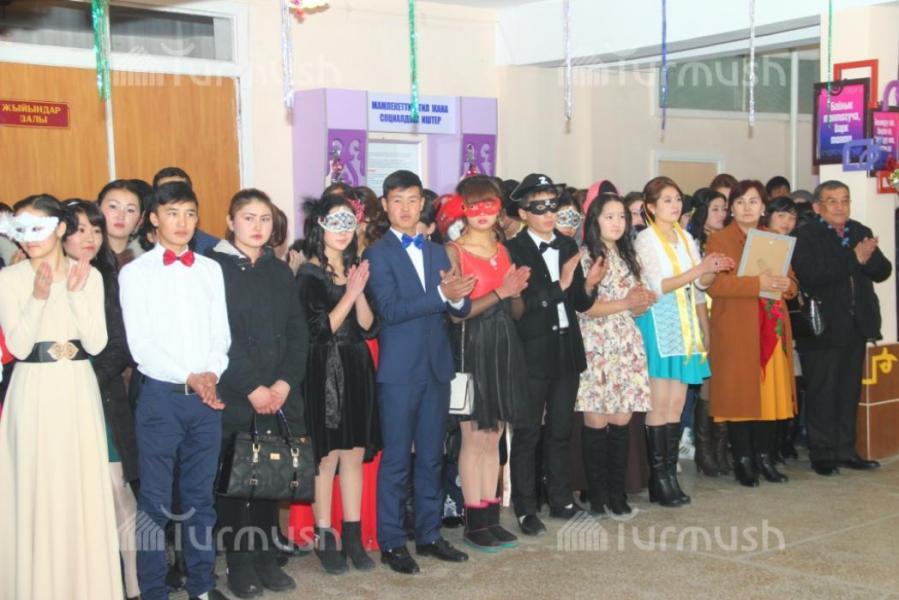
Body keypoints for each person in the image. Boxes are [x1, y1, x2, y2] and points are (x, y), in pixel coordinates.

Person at [0, 194, 122, 599]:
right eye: (20, 229)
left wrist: (74, 293)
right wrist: (37, 299)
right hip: (31, 389)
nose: (29, 237)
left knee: (79, 488)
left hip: (76, 388)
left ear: (60, 228)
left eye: (38, 227)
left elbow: (97, 342)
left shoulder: (89, 274)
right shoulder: (8, 279)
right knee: (34, 488)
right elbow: (18, 347)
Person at [119, 181, 230, 600]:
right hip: (161, 399)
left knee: (201, 499)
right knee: (155, 502)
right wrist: (190, 376)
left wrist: (211, 373)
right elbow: (141, 346)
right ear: (153, 219)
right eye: (172, 213)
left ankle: (202, 586)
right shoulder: (135, 273)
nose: (182, 222)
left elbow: (221, 335)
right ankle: (153, 591)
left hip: (206, 399)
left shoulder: (210, 270)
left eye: (189, 213)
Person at [363, 170, 473, 574]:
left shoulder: (438, 251)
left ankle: (429, 535)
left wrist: (457, 298)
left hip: (437, 367)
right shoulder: (377, 254)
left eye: (412, 200)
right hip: (399, 371)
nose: (406, 208)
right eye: (397, 200)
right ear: (385, 205)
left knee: (431, 457)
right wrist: (442, 294)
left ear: (422, 204)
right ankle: (392, 542)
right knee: (396, 460)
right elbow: (390, 311)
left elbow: (458, 307)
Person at [205, 188, 308, 597]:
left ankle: (266, 557)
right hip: (236, 391)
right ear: (230, 222)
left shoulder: (279, 270)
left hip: (278, 393)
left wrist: (283, 383)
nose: (257, 226)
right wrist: (252, 387)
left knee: (271, 478)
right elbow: (218, 335)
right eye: (248, 218)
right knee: (237, 484)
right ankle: (240, 564)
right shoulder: (212, 268)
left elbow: (298, 332)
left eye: (265, 219)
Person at [504, 173, 604, 535]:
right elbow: (521, 307)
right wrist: (559, 285)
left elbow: (578, 302)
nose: (548, 213)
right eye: (540, 207)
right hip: (532, 351)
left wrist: (587, 285)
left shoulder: (566, 244)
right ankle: (525, 507)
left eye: (553, 206)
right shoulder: (512, 249)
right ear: (523, 213)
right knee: (527, 432)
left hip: (566, 348)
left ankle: (561, 498)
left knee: (561, 429)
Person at [634, 176, 732, 507]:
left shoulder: (685, 237)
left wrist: (712, 269)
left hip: (685, 323)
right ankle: (658, 478)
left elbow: (700, 284)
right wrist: (698, 270)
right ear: (650, 207)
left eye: (677, 199)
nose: (675, 205)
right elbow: (658, 285)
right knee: (659, 402)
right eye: (667, 200)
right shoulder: (645, 240)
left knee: (676, 405)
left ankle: (669, 476)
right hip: (659, 324)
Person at [444, 175, 530, 551]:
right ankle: (474, 523)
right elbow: (457, 314)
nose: (482, 212)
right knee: (473, 437)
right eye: (474, 205)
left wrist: (516, 291)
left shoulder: (503, 249)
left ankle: (491, 518)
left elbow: (516, 311)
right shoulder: (452, 251)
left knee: (494, 436)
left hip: (503, 345)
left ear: (499, 208)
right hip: (469, 348)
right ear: (463, 209)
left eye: (489, 204)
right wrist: (501, 290)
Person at [298, 194, 381, 574]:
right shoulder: (309, 274)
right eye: (335, 223)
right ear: (320, 227)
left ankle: (352, 536)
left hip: (356, 363)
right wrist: (349, 293)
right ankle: (324, 537)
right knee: (326, 457)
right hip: (323, 367)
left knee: (354, 454)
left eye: (349, 223)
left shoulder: (357, 268)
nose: (343, 231)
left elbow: (368, 326)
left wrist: (358, 290)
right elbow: (320, 329)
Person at [62, 199, 141, 599]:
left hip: (102, 394)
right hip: (56, 402)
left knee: (116, 487)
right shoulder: (41, 278)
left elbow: (121, 345)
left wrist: (86, 379)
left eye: (96, 229)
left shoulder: (112, 278)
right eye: (80, 230)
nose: (90, 237)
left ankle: (134, 583)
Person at [791, 180, 891, 476]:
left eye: (844, 200)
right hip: (822, 327)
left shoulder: (859, 230)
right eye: (832, 201)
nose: (839, 207)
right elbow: (811, 275)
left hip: (856, 324)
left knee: (849, 392)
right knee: (823, 392)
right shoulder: (805, 235)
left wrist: (867, 258)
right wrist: (853, 259)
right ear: (817, 206)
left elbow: (883, 271)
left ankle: (846, 450)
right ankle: (822, 454)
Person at [706, 181, 797, 487]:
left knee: (769, 397)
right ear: (731, 207)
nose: (747, 207)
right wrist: (758, 284)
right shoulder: (719, 239)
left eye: (754, 201)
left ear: (763, 207)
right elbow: (717, 285)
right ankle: (743, 460)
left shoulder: (774, 237)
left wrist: (787, 285)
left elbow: (792, 281)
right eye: (741, 202)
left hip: (771, 327)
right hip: (737, 329)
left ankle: (765, 457)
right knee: (740, 397)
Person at [577, 192, 654, 517]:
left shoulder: (629, 256)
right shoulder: (585, 257)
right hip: (596, 342)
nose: (617, 223)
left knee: (622, 420)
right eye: (609, 217)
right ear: (595, 221)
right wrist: (626, 303)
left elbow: (635, 306)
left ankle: (617, 493)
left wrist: (642, 302)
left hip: (626, 343)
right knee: (596, 419)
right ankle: (597, 495)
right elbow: (585, 308)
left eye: (622, 217)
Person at [685, 187, 731, 477]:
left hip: (728, 316)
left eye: (724, 208)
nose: (721, 214)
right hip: (701, 317)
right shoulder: (692, 243)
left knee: (725, 383)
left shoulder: (728, 241)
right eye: (715, 208)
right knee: (708, 385)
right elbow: (697, 290)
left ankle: (721, 446)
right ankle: (704, 450)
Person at [764, 197, 802, 462]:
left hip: (781, 323)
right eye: (781, 216)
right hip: (762, 324)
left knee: (783, 389)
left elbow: (793, 287)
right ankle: (764, 452)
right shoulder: (760, 243)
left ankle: (776, 447)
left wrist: (789, 285)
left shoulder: (787, 246)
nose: (787, 222)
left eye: (791, 218)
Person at [152, 166, 219, 254]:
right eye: (166, 191)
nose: (175, 197)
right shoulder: (140, 250)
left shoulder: (213, 248)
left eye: (181, 190)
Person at [97, 179, 146, 268]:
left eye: (130, 210)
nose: (121, 216)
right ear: (97, 210)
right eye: (113, 206)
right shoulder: (83, 258)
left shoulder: (147, 261)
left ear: (140, 220)